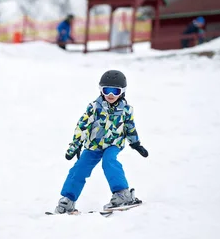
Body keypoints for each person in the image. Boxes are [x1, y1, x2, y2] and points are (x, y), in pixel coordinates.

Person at [53, 70, 149, 214]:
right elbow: (83, 125)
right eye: (107, 90)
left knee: (109, 161)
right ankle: (67, 200)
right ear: (101, 90)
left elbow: (130, 127)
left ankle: (122, 194)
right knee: (79, 168)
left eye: (115, 91)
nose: (110, 95)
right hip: (93, 145)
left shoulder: (126, 110)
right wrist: (76, 144)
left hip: (113, 144)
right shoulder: (94, 107)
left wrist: (135, 143)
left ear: (122, 92)